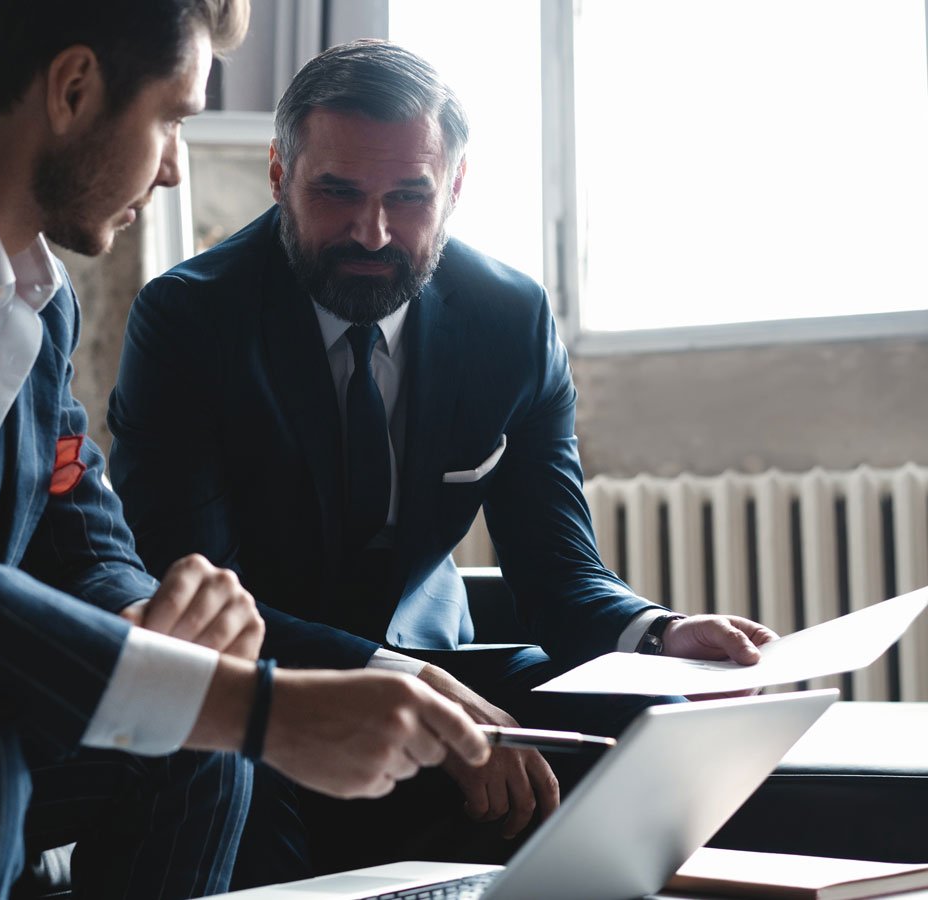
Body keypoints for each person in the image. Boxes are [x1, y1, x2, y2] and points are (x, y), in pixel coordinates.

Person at [0, 8, 493, 898]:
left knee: (192, 749)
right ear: (74, 89)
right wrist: (261, 707)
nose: (174, 168)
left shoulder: (41, 306)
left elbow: (85, 542)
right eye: (171, 117)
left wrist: (170, 625)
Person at [107, 39, 779, 885]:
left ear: (454, 188)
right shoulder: (188, 321)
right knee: (229, 767)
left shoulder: (511, 320)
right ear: (280, 173)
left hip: (446, 668)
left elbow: (558, 573)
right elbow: (193, 587)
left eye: (410, 197)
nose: (372, 231)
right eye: (338, 192)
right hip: (272, 686)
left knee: (649, 713)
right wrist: (403, 686)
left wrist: (662, 632)